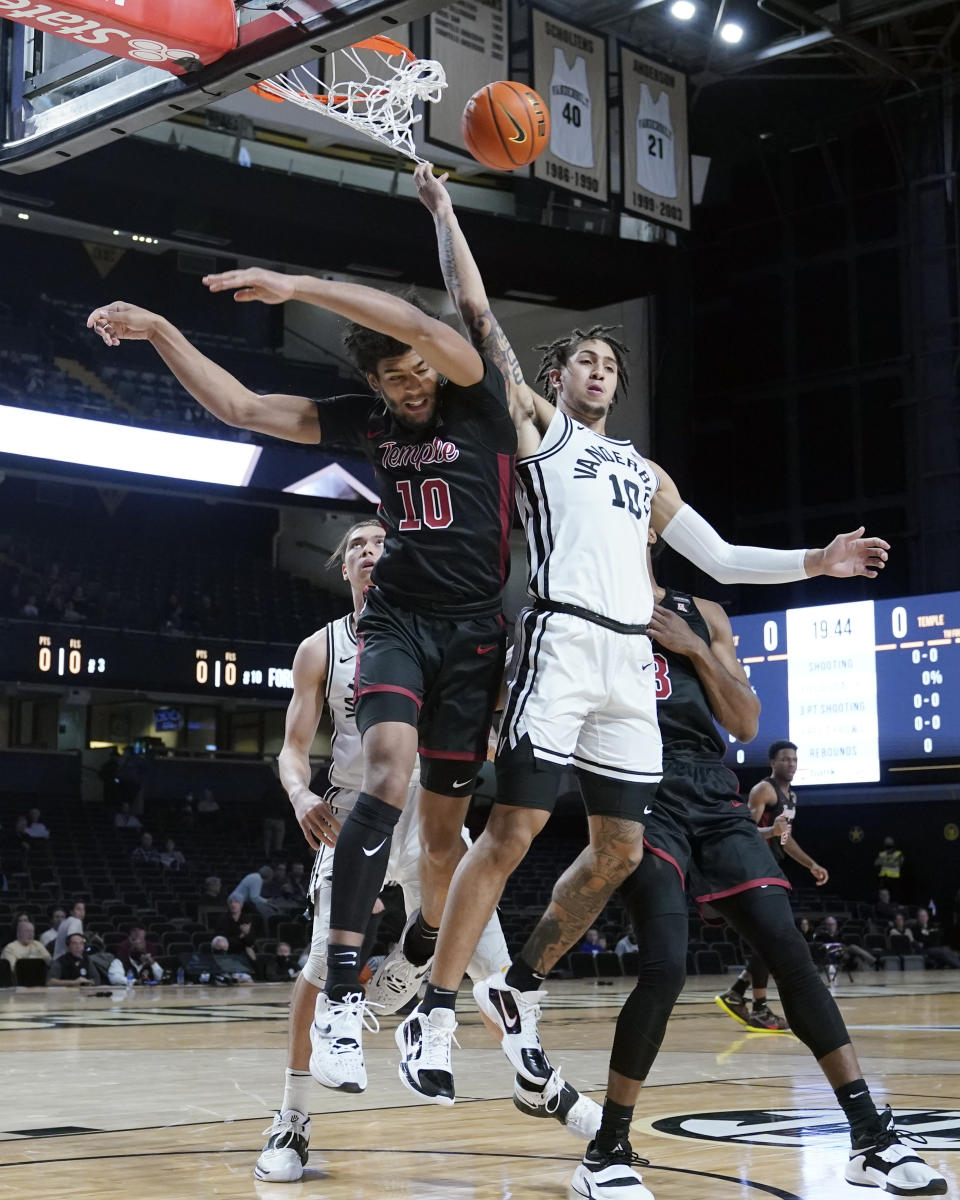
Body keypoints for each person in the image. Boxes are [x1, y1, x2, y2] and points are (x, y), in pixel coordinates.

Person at [395, 163, 890, 1109]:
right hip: (563, 642)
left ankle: (517, 979)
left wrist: (815, 564)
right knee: (513, 832)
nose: (601, 369)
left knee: (620, 846)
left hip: (632, 660)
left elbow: (726, 558)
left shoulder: (644, 471)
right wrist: (446, 210)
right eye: (586, 359)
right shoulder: (541, 433)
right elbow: (476, 314)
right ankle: (437, 1003)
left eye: (612, 364)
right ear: (554, 377)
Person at [89, 267, 515, 1095]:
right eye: (392, 379)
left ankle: (426, 976)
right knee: (384, 775)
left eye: (415, 371)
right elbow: (244, 409)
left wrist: (295, 287)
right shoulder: (370, 421)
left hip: (474, 631)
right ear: (374, 385)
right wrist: (162, 330)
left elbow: (416, 325)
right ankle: (343, 1002)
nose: (410, 386)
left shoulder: (474, 394)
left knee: (441, 840)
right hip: (400, 621)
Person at [539, 532, 943, 1199]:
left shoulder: (705, 614)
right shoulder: (581, 613)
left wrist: (694, 648)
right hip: (640, 789)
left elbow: (748, 721)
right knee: (665, 965)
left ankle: (870, 1137)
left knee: (789, 950)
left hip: (712, 792)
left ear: (645, 526)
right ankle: (607, 1149)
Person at [255, 520, 521, 1184]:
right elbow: (291, 750)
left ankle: (547, 1083)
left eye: (382, 546)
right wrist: (298, 795)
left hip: (431, 810)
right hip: (353, 810)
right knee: (321, 969)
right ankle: (291, 1117)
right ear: (342, 569)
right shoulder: (321, 647)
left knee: (497, 971)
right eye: (357, 549)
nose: (371, 554)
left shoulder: (434, 636)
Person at [716, 741, 828, 1032]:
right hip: (753, 869)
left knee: (771, 937)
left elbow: (784, 839)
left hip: (770, 868)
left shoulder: (791, 797)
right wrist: (772, 831)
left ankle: (738, 993)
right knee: (774, 936)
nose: (791, 763)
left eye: (794, 759)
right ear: (773, 762)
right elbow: (745, 831)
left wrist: (810, 864)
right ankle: (758, 1005)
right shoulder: (763, 790)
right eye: (785, 759)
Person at [875, 835, 905, 901]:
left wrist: (885, 862)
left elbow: (899, 864)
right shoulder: (882, 854)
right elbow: (876, 863)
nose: (888, 845)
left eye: (889, 843)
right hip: (883, 879)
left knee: (894, 898)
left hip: (894, 880)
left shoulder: (898, 854)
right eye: (887, 843)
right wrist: (890, 862)